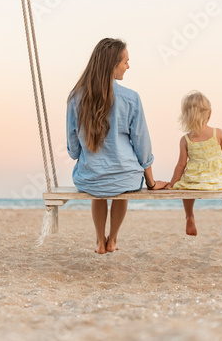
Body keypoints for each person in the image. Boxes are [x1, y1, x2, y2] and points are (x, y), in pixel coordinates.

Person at [66, 38, 167, 254]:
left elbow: (73, 149)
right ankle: (112, 240)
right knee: (122, 187)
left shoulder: (76, 97)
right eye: (125, 62)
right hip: (126, 177)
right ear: (113, 64)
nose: (128, 66)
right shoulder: (131, 98)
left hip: (91, 178)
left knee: (99, 191)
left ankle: (99, 242)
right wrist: (150, 181)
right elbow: (142, 143)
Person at [166, 91, 222, 236]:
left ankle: (189, 216)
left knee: (186, 191)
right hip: (217, 179)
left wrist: (172, 184)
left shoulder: (186, 139)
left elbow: (181, 165)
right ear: (209, 114)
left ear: (186, 115)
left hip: (195, 180)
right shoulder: (217, 133)